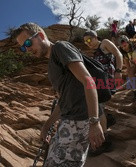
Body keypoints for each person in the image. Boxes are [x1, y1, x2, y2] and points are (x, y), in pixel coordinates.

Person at [12, 22, 105, 166]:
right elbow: (62, 101)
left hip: (80, 121)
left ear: (41, 36)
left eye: (28, 42)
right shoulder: (51, 66)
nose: (27, 49)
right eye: (23, 47)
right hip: (66, 122)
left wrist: (94, 121)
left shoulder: (61, 48)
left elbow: (88, 81)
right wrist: (47, 125)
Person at [83, 30, 123, 155]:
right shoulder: (95, 54)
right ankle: (108, 119)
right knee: (96, 105)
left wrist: (118, 70)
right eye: (85, 41)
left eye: (89, 39)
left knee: (98, 106)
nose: (87, 43)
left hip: (108, 80)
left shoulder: (104, 43)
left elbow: (118, 54)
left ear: (95, 37)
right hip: (100, 82)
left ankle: (104, 141)